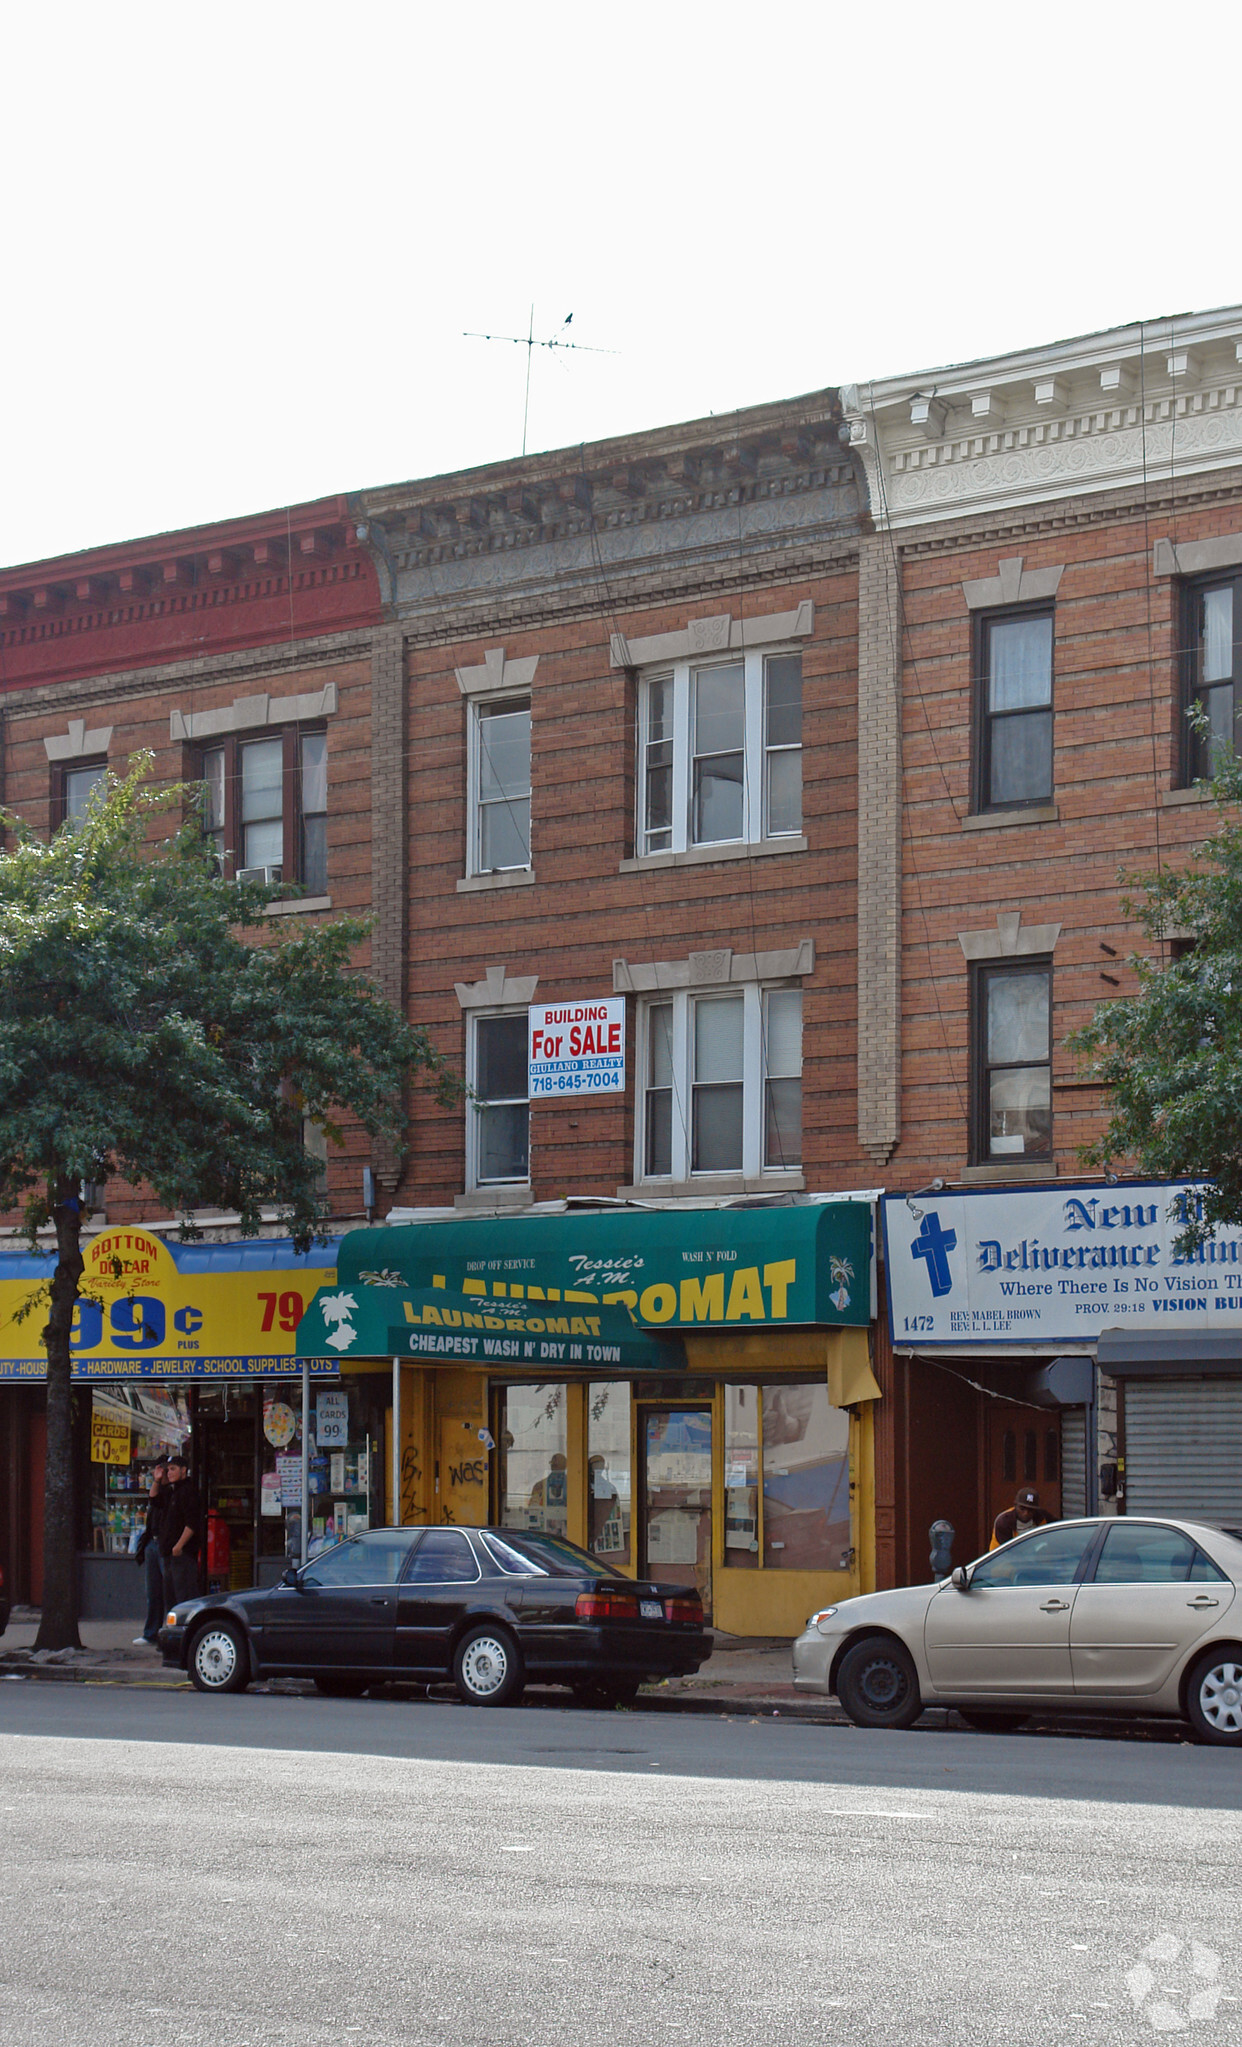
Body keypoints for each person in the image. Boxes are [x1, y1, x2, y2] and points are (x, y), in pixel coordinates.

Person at [133, 1459, 169, 1645]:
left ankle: (171, 1633)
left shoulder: (173, 1492)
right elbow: (152, 1498)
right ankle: (151, 1632)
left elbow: (155, 1499)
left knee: (169, 1590)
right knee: (153, 1591)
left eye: (168, 1470)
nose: (164, 1473)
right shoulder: (158, 1490)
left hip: (165, 1545)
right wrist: (156, 1480)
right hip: (152, 1543)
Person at [161, 1450, 203, 1606]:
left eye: (173, 1469)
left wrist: (179, 1545)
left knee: (184, 1597)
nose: (169, 1472)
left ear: (183, 1470)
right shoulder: (172, 1491)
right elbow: (154, 1499)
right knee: (171, 1597)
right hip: (169, 1553)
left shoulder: (188, 1491)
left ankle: (186, 1629)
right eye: (168, 1469)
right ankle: (174, 1628)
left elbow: (192, 1522)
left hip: (182, 1554)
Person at [990, 1485, 1053, 1550]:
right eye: (1022, 1509)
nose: (1026, 1513)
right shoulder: (1004, 1521)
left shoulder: (1042, 1517)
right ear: (1015, 1505)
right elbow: (1007, 1551)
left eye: (1030, 1510)